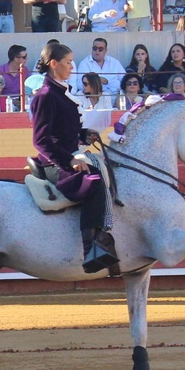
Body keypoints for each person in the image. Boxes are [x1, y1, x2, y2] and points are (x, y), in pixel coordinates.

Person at [30, 42, 117, 275]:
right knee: (94, 180)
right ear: (53, 63)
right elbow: (41, 140)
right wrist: (69, 161)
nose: (71, 66)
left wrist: (83, 134)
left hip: (68, 156)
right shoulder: (46, 96)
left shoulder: (60, 92)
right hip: (55, 163)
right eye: (68, 62)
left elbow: (63, 130)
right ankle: (92, 249)